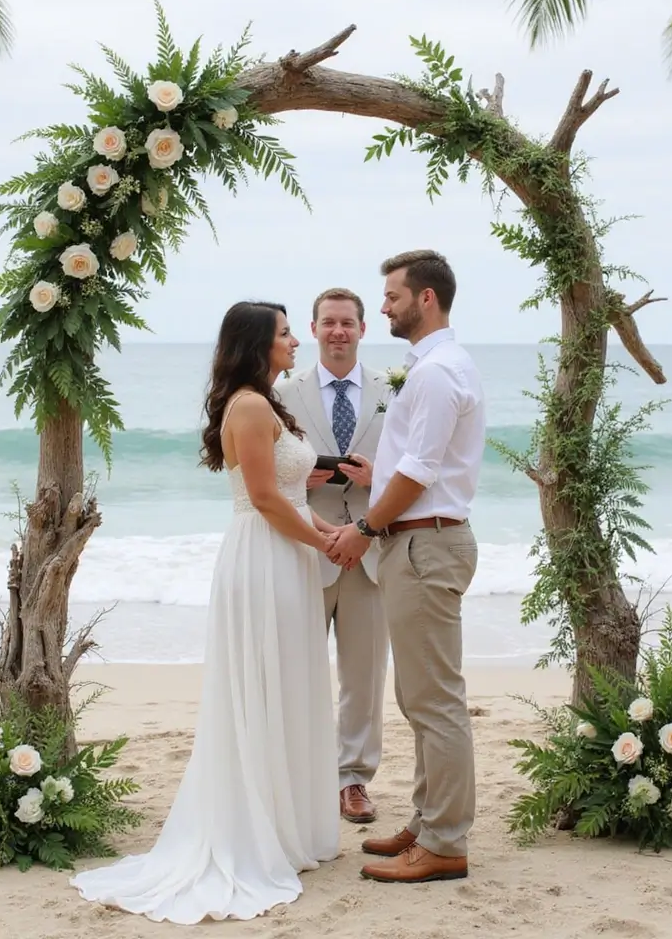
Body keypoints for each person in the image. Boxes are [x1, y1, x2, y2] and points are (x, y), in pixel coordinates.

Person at [70, 301, 341, 923]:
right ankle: (258, 831)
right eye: (285, 333)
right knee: (264, 683)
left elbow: (292, 495)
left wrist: (329, 534)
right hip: (264, 557)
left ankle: (287, 825)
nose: (295, 341)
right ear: (257, 343)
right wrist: (321, 541)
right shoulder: (248, 407)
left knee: (289, 683)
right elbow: (266, 499)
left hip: (287, 554)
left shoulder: (266, 403)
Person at [329, 251, 486, 884]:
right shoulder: (436, 366)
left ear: (426, 299)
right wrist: (383, 479)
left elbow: (422, 471)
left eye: (392, 296)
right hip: (421, 542)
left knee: (435, 699)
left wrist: (365, 528)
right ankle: (426, 823)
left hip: (426, 545)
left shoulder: (437, 372)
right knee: (418, 696)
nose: (384, 306)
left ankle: (445, 841)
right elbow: (419, 464)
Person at [277, 288, 389, 824]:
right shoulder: (283, 391)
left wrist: (378, 479)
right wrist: (300, 478)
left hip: (371, 548)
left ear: (363, 329)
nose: (338, 331)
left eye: (347, 322)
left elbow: (415, 465)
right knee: (297, 668)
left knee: (364, 675)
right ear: (314, 328)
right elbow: (264, 468)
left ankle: (353, 780)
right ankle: (300, 775)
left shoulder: (393, 390)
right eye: (328, 322)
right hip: (307, 546)